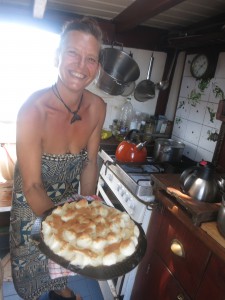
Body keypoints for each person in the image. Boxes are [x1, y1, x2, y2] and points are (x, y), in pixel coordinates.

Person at [10, 17, 106, 300]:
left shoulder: (98, 108)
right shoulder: (32, 111)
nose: (81, 66)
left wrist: (87, 207)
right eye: (73, 53)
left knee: (60, 268)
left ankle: (60, 290)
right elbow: (32, 187)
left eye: (91, 58)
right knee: (30, 271)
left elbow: (89, 163)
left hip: (66, 201)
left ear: (98, 67)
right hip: (30, 204)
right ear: (57, 57)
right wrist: (63, 228)